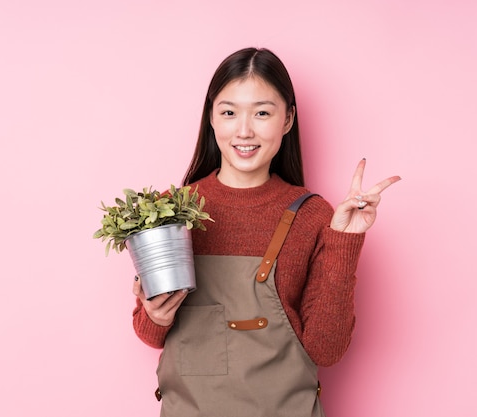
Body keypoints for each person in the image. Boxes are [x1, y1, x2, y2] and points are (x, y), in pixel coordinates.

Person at [131, 47, 400, 417]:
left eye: (262, 113)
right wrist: (155, 316)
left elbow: (326, 350)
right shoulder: (171, 211)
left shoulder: (313, 215)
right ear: (211, 117)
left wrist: (345, 240)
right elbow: (150, 334)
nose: (244, 131)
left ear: (287, 119)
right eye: (229, 112)